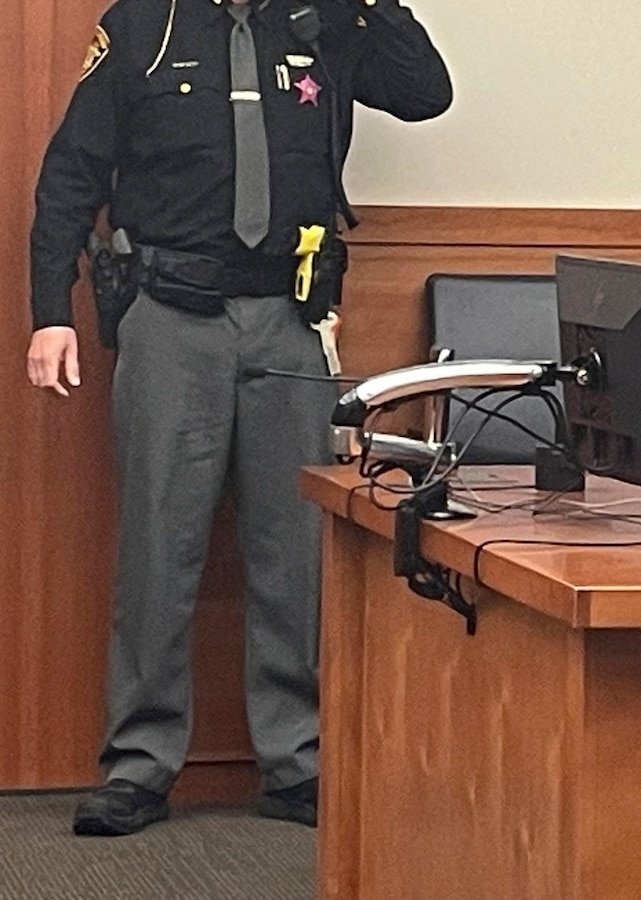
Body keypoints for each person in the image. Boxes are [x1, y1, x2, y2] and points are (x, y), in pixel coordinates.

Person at [26, 0, 451, 836]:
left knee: (296, 550)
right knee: (159, 544)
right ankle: (139, 765)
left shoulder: (325, 22)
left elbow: (424, 93)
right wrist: (50, 313)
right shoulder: (144, 25)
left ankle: (297, 761)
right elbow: (72, 173)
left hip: (290, 320)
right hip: (170, 316)